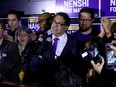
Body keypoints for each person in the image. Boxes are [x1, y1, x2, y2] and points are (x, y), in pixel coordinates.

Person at [0, 20, 21, 86]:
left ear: (3, 31)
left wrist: (1, 60)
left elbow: (17, 68)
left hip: (7, 82)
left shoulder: (12, 46)